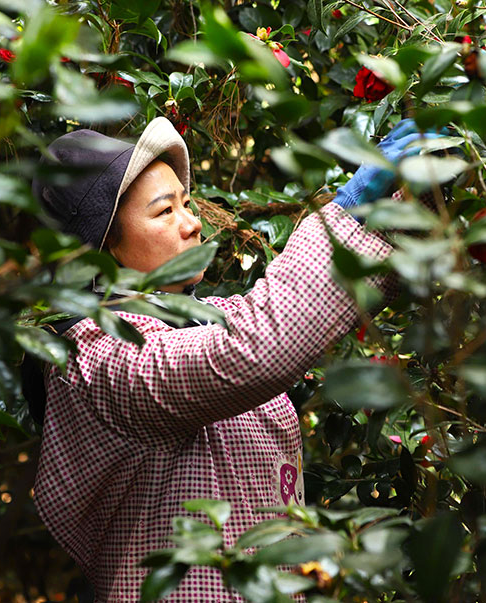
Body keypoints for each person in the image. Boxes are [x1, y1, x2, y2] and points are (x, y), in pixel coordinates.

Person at [27, 116, 437, 601]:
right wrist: (342, 215)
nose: (192, 222)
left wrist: (412, 200)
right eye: (164, 212)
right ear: (104, 250)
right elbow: (259, 343)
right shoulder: (91, 356)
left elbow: (291, 310)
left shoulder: (208, 319)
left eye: (187, 204)